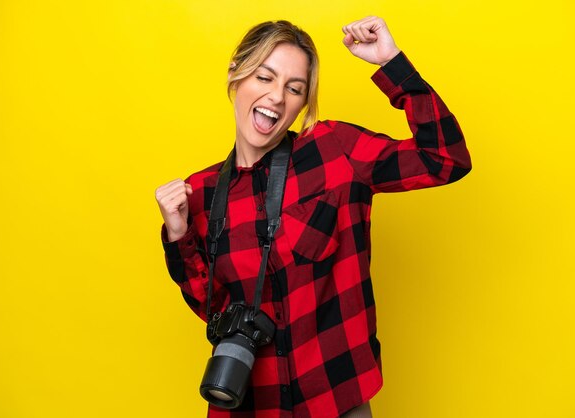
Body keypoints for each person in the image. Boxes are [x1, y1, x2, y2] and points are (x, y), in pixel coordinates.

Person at [155, 16, 471, 418]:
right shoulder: (199, 193)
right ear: (236, 75)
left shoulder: (334, 151)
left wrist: (391, 63)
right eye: (265, 77)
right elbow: (212, 309)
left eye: (294, 88)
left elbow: (445, 159)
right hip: (247, 406)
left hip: (335, 400)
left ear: (303, 103)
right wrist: (178, 234)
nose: (276, 97)